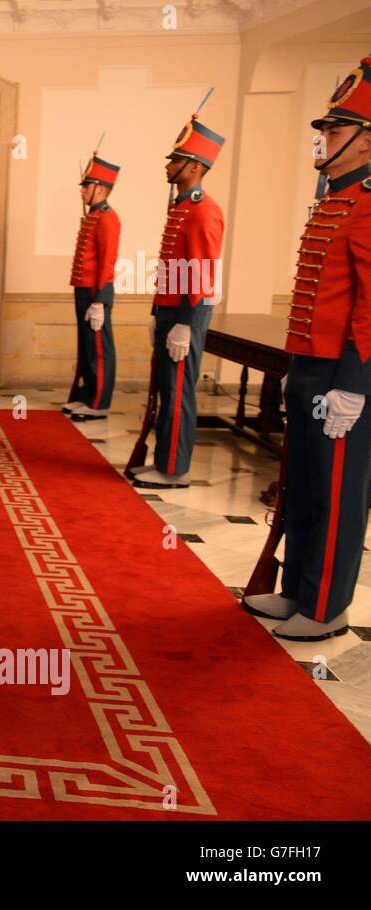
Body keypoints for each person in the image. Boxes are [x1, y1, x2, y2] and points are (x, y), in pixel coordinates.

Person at [243, 56, 371, 641]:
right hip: (310, 363)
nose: (323, 139)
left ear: (367, 144)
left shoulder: (368, 201)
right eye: (324, 129)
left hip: (343, 374)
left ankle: (326, 607)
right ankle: (296, 589)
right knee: (306, 483)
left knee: (340, 491)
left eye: (336, 130)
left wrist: (354, 383)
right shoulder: (333, 197)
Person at [131, 113, 226, 489]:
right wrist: (160, 312)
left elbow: (200, 270)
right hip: (172, 309)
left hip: (187, 312)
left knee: (178, 391)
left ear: (196, 166)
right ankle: (164, 461)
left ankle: (173, 470)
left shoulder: (203, 209)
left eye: (176, 160)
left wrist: (186, 321)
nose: (169, 167)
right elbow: (173, 266)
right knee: (167, 388)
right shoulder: (183, 206)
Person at [64, 154, 122, 422]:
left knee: (99, 348)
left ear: (101, 188)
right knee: (87, 346)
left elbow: (107, 263)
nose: (82, 190)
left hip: (95, 292)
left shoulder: (108, 219)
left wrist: (100, 300)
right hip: (83, 289)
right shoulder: (94, 216)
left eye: (87, 186)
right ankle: (87, 397)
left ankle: (99, 403)